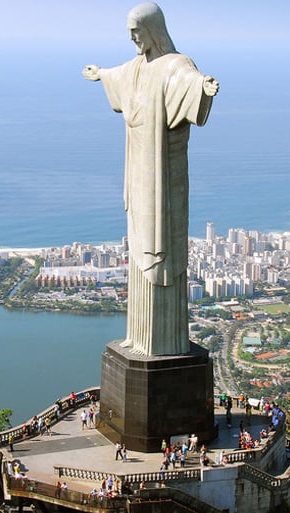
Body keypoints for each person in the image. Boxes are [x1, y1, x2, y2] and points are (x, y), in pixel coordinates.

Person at [84, 2, 218, 356]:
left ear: (154, 30)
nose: (132, 38)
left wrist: (202, 87)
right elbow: (119, 76)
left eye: (137, 31)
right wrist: (101, 73)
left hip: (163, 173)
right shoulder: (137, 67)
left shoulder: (176, 64)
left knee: (163, 249)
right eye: (129, 32)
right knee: (140, 245)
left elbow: (188, 83)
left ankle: (165, 342)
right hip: (139, 171)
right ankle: (139, 338)